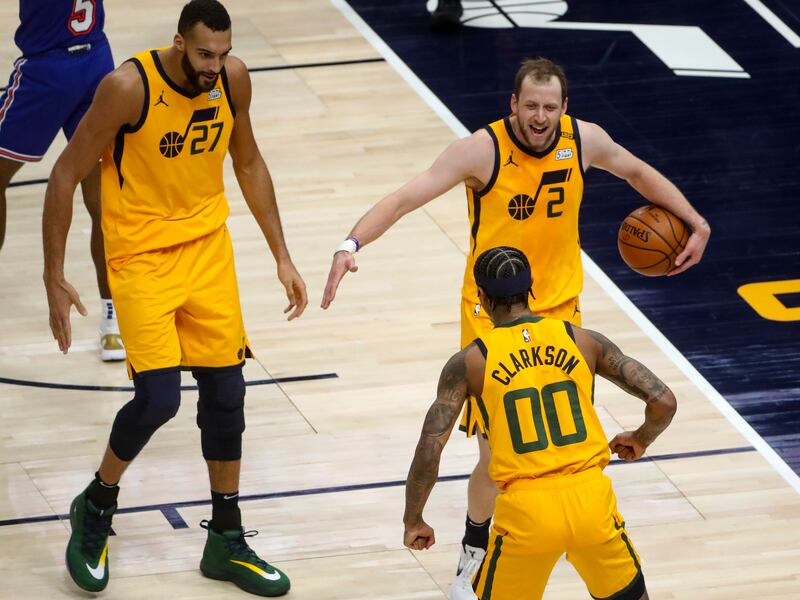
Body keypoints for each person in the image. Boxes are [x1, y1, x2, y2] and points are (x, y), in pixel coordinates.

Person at [321, 56, 708, 598]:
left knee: (554, 444)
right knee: (494, 453)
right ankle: (475, 555)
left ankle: (560, 539)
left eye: (550, 107)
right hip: (490, 313)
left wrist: (695, 220)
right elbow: (409, 196)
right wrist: (350, 244)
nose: (540, 117)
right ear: (513, 104)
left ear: (564, 109)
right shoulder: (482, 150)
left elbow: (638, 172)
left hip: (561, 314)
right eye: (530, 105)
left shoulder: (585, 140)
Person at [42, 0, 307, 595]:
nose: (215, 66)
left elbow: (249, 160)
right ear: (179, 44)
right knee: (159, 397)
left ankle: (226, 540)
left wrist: (282, 256)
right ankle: (96, 504)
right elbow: (64, 174)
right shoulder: (126, 88)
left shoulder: (232, 79)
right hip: (138, 256)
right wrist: (54, 276)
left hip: (206, 247)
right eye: (204, 54)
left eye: (223, 53)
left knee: (227, 391)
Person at [403, 245, 676, 600]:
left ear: (481, 297)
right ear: (531, 288)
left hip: (526, 513)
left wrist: (414, 518)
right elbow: (664, 401)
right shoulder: (584, 340)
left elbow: (430, 447)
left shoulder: (469, 362)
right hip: (591, 501)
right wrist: (641, 438)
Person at [0, 0, 123, 361]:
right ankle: (113, 317)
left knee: (102, 198)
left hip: (49, 67)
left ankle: (114, 312)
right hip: (95, 61)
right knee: (102, 199)